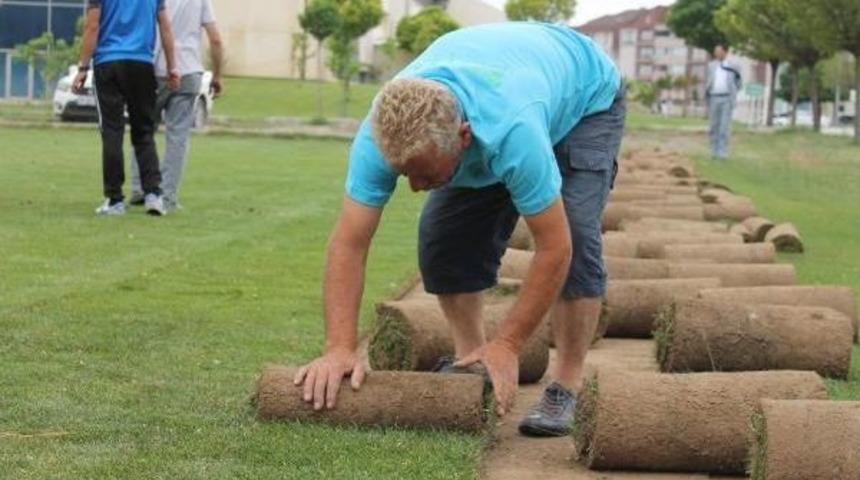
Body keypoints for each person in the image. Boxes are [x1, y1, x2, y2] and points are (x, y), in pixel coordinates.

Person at [293, 22, 624, 437]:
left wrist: (509, 345)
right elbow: (348, 243)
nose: (413, 187)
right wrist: (339, 348)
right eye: (403, 173)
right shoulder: (381, 134)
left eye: (422, 172)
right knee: (442, 242)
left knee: (573, 227)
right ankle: (472, 361)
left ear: (463, 137)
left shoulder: (512, 130)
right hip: (510, 82)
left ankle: (567, 385)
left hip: (584, 97)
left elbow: (554, 248)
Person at [74, 0, 180, 216]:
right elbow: (165, 27)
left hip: (108, 63)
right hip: (141, 63)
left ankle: (114, 200)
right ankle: (153, 195)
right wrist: (172, 67)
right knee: (144, 131)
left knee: (112, 131)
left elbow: (92, 26)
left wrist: (83, 67)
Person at [129, 0, 225, 211]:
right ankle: (168, 197)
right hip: (189, 71)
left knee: (143, 131)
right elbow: (215, 39)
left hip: (154, 70)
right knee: (177, 137)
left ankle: (139, 189)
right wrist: (217, 75)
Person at [706, 44, 742, 160]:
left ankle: (722, 153)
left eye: (718, 51)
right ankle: (713, 152)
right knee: (713, 126)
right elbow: (709, 80)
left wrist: (733, 92)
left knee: (724, 127)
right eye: (715, 51)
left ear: (725, 52)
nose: (716, 53)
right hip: (713, 98)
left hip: (727, 99)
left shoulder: (733, 66)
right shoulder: (711, 65)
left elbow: (739, 82)